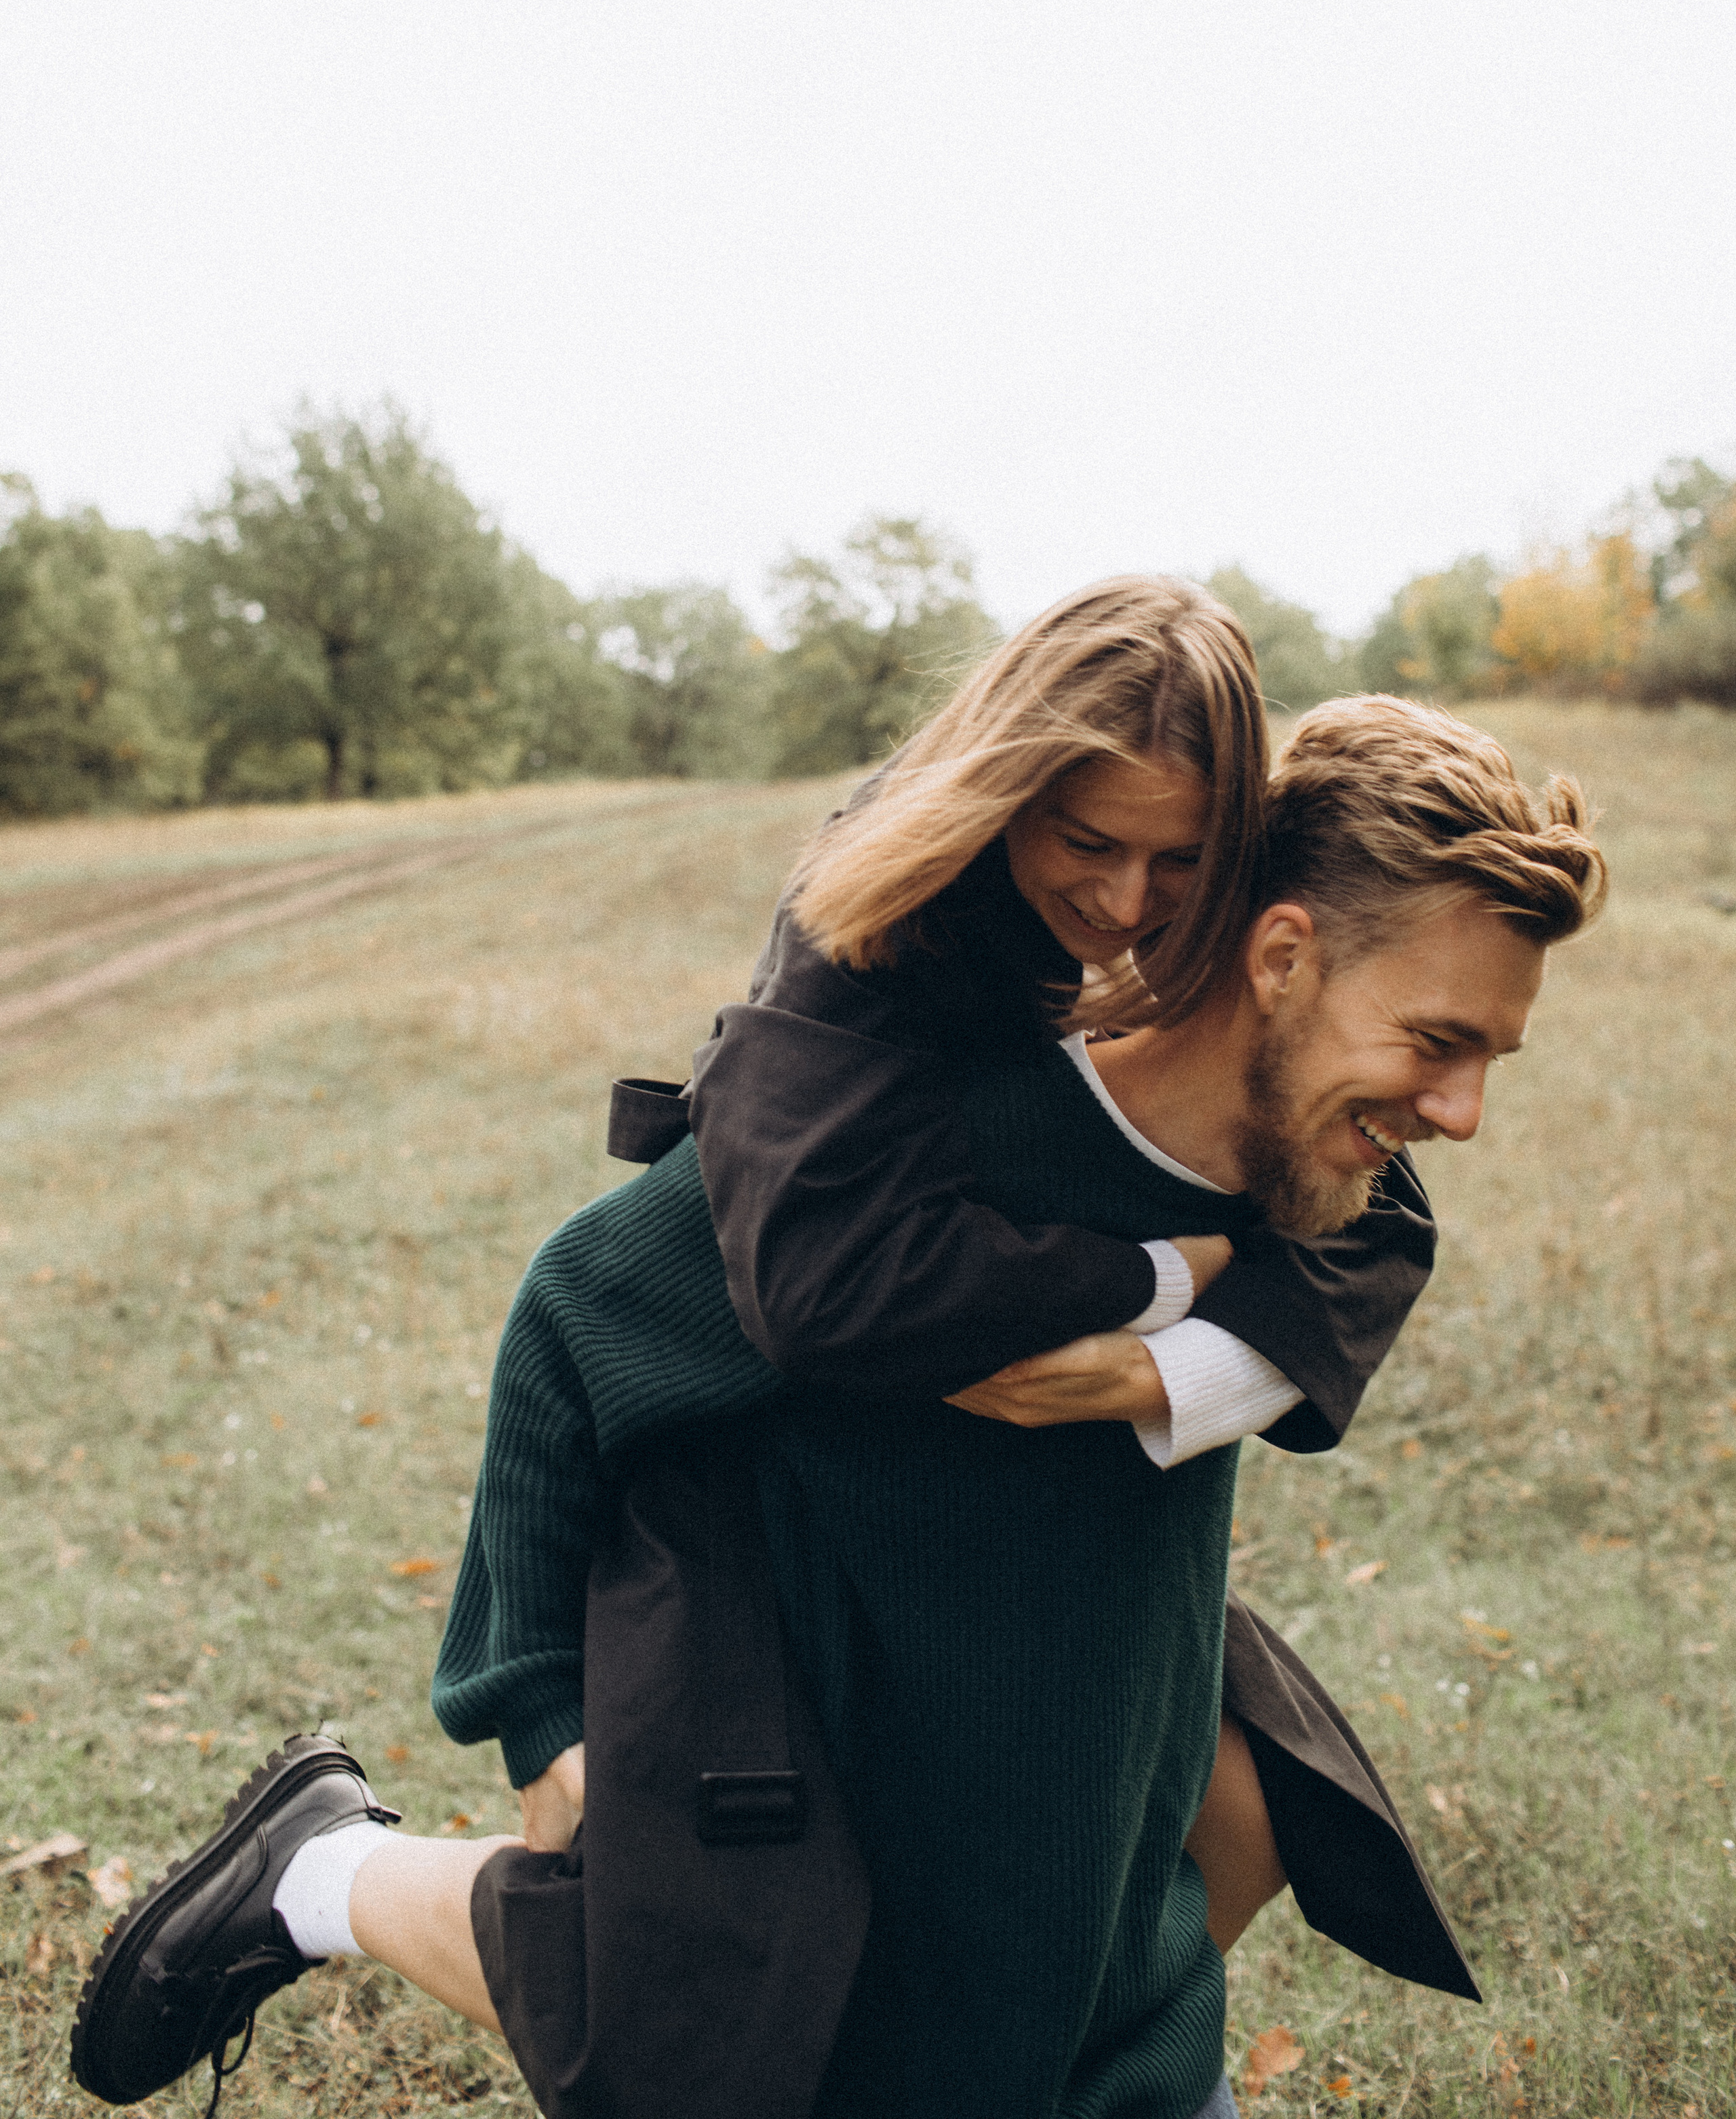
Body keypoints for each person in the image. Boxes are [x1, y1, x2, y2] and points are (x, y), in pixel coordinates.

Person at [69, 694, 1606, 2119]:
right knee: (698, 2047)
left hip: (1083, 1803)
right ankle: (325, 1873)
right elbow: (578, 1313)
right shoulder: (919, 1153)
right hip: (797, 1694)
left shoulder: (1306, 1176)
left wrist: (1167, 1369)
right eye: (1437, 1044)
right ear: (1278, 960)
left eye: (1487, 1054)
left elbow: (1374, 1245)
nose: (1459, 1114)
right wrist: (533, 1702)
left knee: (1137, 1902)